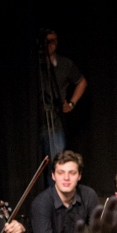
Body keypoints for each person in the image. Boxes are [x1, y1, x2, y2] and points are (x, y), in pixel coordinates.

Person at [38, 29, 87, 176]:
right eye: (46, 41)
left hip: (55, 121)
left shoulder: (65, 64)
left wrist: (71, 103)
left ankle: (55, 190)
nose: (49, 45)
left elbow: (82, 82)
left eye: (52, 41)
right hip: (36, 121)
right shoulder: (35, 64)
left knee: (56, 162)